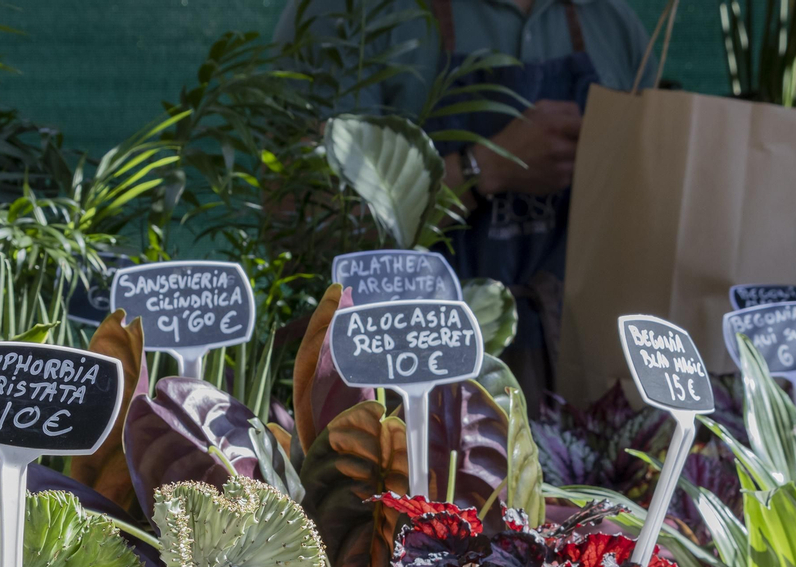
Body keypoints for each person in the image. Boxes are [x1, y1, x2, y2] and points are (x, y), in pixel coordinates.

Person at [275, 0, 654, 408]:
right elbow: (299, 217)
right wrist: (483, 169)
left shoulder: (612, 22)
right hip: (404, 386)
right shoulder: (349, 14)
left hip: (586, 382)